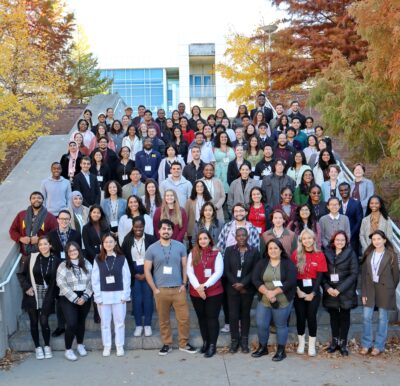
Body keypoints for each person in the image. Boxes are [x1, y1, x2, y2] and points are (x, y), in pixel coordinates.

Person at [144, 219, 197, 355]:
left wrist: (184, 284)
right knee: (163, 319)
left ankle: (183, 343)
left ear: (172, 231)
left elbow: (185, 266)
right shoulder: (151, 248)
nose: (166, 231)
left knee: (184, 318)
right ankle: (167, 343)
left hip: (178, 289)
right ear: (159, 231)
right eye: (164, 229)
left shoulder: (180, 246)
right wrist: (154, 289)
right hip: (161, 290)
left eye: (169, 229)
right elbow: (147, 270)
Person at [252, 239, 297, 361]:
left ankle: (281, 351)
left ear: (281, 249)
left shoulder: (288, 264)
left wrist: (274, 292)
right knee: (261, 324)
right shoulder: (262, 263)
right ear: (267, 250)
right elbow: (255, 279)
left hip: (282, 299)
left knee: (280, 325)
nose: (273, 250)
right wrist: (267, 292)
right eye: (270, 248)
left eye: (276, 248)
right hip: (265, 299)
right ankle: (263, 348)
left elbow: (291, 281)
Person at [17, 236, 61, 360]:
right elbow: (21, 274)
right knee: (34, 322)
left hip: (48, 294)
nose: (43, 246)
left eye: (45, 244)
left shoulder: (56, 260)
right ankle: (37, 347)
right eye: (40, 244)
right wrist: (26, 287)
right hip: (32, 293)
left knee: (44, 321)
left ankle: (47, 346)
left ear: (50, 245)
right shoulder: (32, 258)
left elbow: (59, 280)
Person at [360, 230, 399, 356]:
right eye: (374, 239)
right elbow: (364, 276)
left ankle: (379, 345)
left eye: (378, 239)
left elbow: (396, 276)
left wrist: (390, 289)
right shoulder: (368, 254)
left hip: (385, 290)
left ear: (384, 240)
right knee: (366, 317)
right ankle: (366, 344)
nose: (376, 241)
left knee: (383, 318)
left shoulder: (392, 255)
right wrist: (364, 293)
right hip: (370, 289)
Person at [92, 234, 131, 357]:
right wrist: (97, 296)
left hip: (119, 295)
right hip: (103, 296)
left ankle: (119, 346)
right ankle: (107, 346)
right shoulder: (98, 259)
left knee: (119, 322)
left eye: (111, 241)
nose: (108, 244)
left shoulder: (121, 258)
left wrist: (125, 294)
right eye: (106, 242)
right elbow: (95, 279)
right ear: (102, 245)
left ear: (115, 243)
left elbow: (127, 277)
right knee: (105, 323)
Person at [187, 230, 224, 358]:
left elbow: (218, 272)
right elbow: (189, 272)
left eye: (205, 238)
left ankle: (212, 345)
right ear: (197, 241)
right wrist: (198, 288)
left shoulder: (216, 253)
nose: (203, 240)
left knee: (212, 318)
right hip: (196, 292)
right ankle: (206, 342)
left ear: (209, 239)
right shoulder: (193, 253)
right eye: (200, 239)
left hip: (214, 292)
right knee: (202, 318)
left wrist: (204, 286)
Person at [291, 229, 327, 356]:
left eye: (309, 238)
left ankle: (311, 345)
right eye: (304, 238)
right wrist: (297, 290)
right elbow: (292, 274)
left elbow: (320, 276)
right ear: (301, 240)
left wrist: (313, 293)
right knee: (300, 317)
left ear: (314, 239)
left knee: (311, 316)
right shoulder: (296, 254)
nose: (307, 240)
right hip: (299, 288)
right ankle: (301, 343)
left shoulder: (320, 255)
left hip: (314, 288)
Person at [224, 228, 260, 354]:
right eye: (238, 235)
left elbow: (255, 270)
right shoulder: (229, 251)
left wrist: (243, 283)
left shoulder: (254, 251)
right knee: (233, 315)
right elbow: (227, 270)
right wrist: (236, 284)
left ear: (248, 236)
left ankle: (244, 341)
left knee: (245, 315)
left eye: (243, 235)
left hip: (247, 289)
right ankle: (234, 341)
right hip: (232, 288)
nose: (241, 238)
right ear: (235, 237)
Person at [322, 231, 358, 356]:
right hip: (330, 291)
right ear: (333, 240)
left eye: (342, 240)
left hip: (345, 291)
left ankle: (343, 344)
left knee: (344, 318)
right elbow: (322, 273)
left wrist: (339, 289)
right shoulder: (326, 252)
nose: (340, 242)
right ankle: (334, 342)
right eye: (337, 240)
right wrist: (327, 288)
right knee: (333, 318)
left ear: (346, 241)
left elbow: (354, 274)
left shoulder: (351, 253)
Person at [56, 242, 93, 361]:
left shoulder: (86, 263)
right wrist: (75, 298)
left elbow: (93, 281)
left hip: (85, 296)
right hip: (68, 297)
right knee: (72, 323)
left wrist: (86, 296)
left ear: (78, 250)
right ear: (67, 253)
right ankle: (68, 350)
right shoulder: (63, 265)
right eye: (70, 251)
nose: (73, 252)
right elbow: (61, 283)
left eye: (75, 250)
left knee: (81, 322)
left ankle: (80, 344)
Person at [121, 216, 157, 337]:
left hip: (148, 272)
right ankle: (138, 325)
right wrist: (133, 273)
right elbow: (125, 259)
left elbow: (155, 258)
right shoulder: (127, 239)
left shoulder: (151, 239)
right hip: (134, 272)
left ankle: (147, 325)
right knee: (137, 300)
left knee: (148, 299)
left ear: (144, 226)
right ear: (132, 226)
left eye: (140, 226)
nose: (138, 229)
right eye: (136, 226)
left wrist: (148, 274)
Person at [9, 191, 58, 259]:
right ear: (30, 200)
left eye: (39, 198)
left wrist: (40, 239)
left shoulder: (50, 217)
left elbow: (56, 234)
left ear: (43, 200)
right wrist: (20, 238)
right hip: (25, 253)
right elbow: (12, 230)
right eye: (33, 198)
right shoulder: (21, 214)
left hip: (43, 253)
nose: (36, 199)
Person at [185, 180, 212, 248]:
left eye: (201, 186)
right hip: (192, 228)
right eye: (197, 186)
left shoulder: (209, 200)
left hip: (206, 227)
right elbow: (185, 216)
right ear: (194, 188)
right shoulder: (189, 200)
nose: (199, 188)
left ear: (204, 188)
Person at [338, 182, 363, 255]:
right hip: (340, 238)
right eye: (341, 190)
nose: (343, 192)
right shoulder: (337, 204)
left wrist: (350, 235)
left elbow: (359, 221)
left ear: (349, 190)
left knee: (354, 258)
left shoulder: (356, 203)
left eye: (346, 190)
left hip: (353, 237)